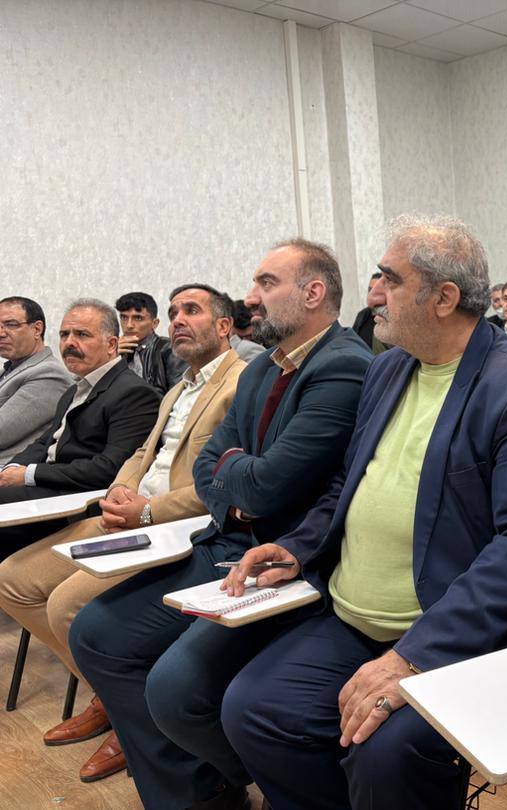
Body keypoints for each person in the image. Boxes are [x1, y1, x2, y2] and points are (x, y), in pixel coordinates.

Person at [218, 215, 507, 810]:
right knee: (254, 710)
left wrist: (414, 655)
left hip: (452, 630)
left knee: (385, 755)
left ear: (443, 298)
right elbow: (352, 481)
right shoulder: (390, 366)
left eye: (390, 279)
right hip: (355, 618)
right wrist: (300, 545)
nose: (375, 295)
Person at [69, 240, 372, 810]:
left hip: (285, 558)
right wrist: (237, 488)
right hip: (228, 540)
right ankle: (196, 790)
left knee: (176, 689)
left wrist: (237, 480)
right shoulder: (264, 367)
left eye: (266, 283)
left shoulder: (344, 366)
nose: (250, 297)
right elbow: (212, 471)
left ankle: (249, 775)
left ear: (313, 293)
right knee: (94, 635)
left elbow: (264, 485)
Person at [0, 283, 246, 783]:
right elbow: (139, 455)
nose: (176, 320)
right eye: (173, 311)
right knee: (13, 579)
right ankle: (112, 698)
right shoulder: (178, 388)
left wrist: (147, 510)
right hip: (125, 511)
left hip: (178, 525)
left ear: (225, 326)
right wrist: (121, 492)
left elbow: (220, 484)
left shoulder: (242, 384)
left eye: (191, 310)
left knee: (66, 606)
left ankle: (128, 715)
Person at [0, 299, 160, 558]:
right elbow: (44, 444)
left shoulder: (134, 393)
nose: (69, 343)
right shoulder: (76, 388)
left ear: (112, 345)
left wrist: (29, 474)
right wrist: (10, 470)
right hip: (45, 492)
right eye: (64, 334)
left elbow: (110, 469)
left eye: (82, 334)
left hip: (74, 504)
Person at [0, 296, 72, 464]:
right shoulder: (10, 369)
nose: (1, 333)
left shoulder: (50, 374)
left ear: (37, 329)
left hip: (9, 471)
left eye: (11, 324)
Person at [115, 291, 188, 395]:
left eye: (138, 318)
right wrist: (111, 358)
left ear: (155, 323)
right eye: (124, 317)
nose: (129, 325)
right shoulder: (114, 351)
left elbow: (178, 395)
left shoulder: (170, 349)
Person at [350, 272, 391, 355]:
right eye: (370, 290)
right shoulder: (363, 316)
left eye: (378, 291)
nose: (372, 295)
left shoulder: (393, 320)